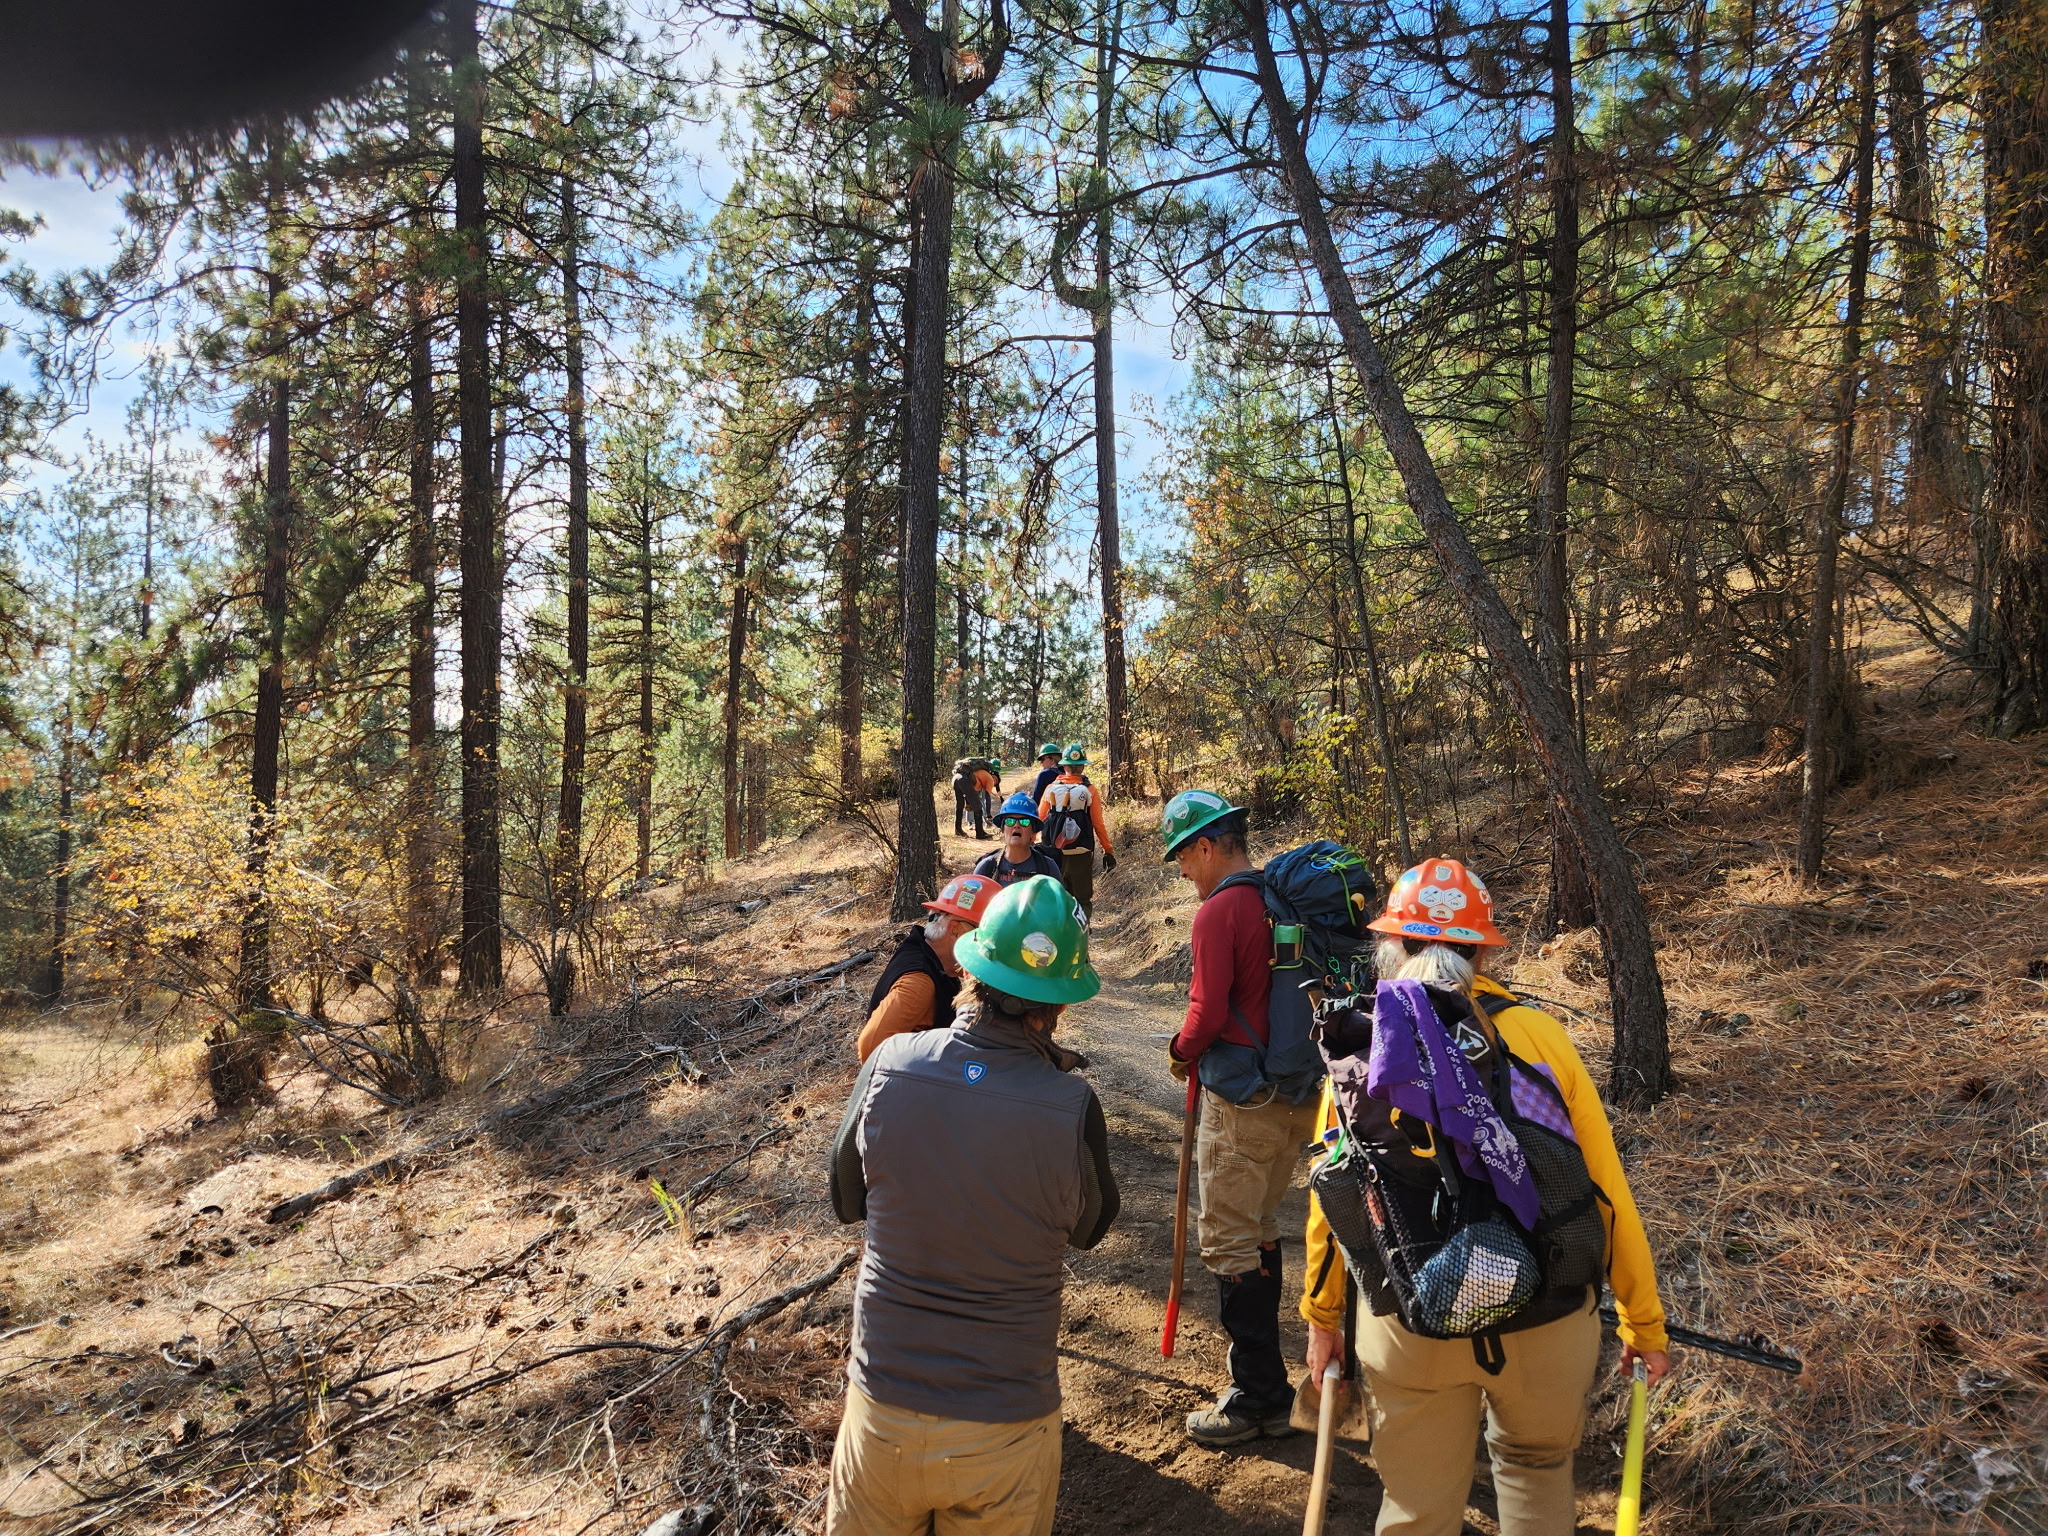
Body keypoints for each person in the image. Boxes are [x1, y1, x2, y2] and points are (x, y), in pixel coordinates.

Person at [1299, 858, 1673, 1536]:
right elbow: (1607, 1196)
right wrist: (1643, 1323)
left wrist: (1323, 1319)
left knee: (1416, 1510)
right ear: (1482, 949)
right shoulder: (1540, 1039)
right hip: (1549, 1313)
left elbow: (1334, 1203)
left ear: (1393, 944)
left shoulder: (1368, 1044)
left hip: (1413, 1317)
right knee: (1534, 1474)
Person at [828, 875, 1119, 1536]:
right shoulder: (1073, 1106)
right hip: (1006, 1421)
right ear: (1057, 1004)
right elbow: (1090, 1228)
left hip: (884, 1403)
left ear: (970, 970)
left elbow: (847, 1196)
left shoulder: (890, 1061)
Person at [1158, 789, 1318, 1446]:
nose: (1182, 872)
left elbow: (1207, 1014)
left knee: (1228, 1242)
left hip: (1243, 1104)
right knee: (1258, 1228)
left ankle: (1259, 1399)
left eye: (1182, 858)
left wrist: (1178, 1052)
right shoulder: (1280, 900)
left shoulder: (1220, 909)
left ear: (1206, 844)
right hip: (1298, 1098)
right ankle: (1270, 1387)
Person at [855, 874, 992, 1062]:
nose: (985, 947)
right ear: (955, 930)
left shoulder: (936, 963)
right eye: (981, 936)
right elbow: (870, 1048)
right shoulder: (920, 983)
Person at [1036, 745, 1114, 918]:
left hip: (1053, 852)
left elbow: (1039, 819)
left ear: (1064, 766)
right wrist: (1108, 850)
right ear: (1083, 766)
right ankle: (1082, 930)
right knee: (1082, 898)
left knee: (1056, 896)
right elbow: (1098, 824)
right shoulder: (1089, 790)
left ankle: (1059, 934)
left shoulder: (1050, 788)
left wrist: (1032, 844)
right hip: (1081, 851)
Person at [975, 792, 1065, 888]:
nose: (1016, 825)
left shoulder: (1048, 867)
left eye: (1024, 822)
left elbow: (1058, 901)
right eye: (1010, 821)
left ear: (1033, 831)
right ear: (1003, 829)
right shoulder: (987, 867)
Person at [952, 757, 998, 839]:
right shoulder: (990, 779)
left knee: (960, 805)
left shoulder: (979, 773)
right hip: (964, 780)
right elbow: (987, 797)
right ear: (994, 778)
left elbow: (970, 792)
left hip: (956, 778)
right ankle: (980, 833)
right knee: (978, 808)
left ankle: (958, 829)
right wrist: (989, 814)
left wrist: (968, 803)